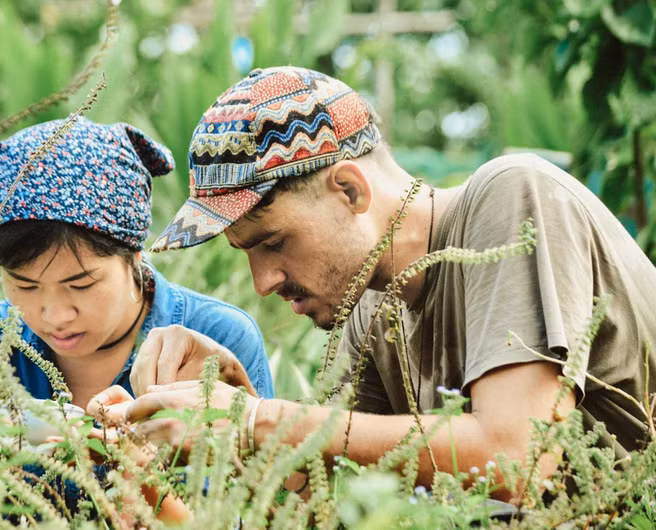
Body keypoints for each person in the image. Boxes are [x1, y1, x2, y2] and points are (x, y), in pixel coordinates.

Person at [89, 66, 656, 500]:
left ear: (350, 191)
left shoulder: (512, 197)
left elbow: (515, 459)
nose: (263, 282)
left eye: (272, 242)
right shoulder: (368, 308)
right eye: (246, 254)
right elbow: (334, 502)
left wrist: (258, 423)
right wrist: (229, 405)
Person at [0, 115, 273, 519]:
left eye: (80, 285)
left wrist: (137, 475)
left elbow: (255, 515)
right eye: (24, 286)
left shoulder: (215, 340)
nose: (54, 315)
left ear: (134, 253)